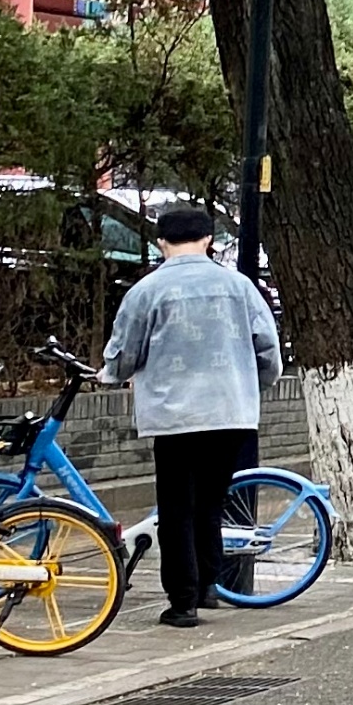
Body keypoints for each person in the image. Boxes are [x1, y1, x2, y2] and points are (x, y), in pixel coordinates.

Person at [100, 203, 282, 629]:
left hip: (174, 416)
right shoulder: (239, 287)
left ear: (161, 242)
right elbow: (267, 349)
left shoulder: (146, 291)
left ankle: (182, 601)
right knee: (211, 504)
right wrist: (253, 385)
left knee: (177, 507)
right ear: (208, 241)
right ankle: (209, 586)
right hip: (231, 411)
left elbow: (123, 353)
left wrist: (112, 375)